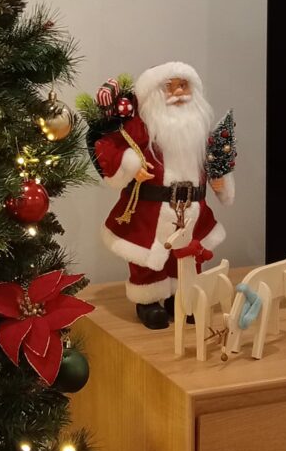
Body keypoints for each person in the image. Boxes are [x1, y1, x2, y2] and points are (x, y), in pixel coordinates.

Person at [92, 62, 235, 329]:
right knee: (148, 256)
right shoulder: (141, 128)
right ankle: (147, 301)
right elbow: (110, 147)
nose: (179, 93)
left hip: (192, 208)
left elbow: (214, 161)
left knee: (188, 256)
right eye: (171, 87)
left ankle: (182, 298)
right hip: (150, 209)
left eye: (184, 86)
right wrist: (131, 166)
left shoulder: (199, 132)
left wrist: (220, 181)